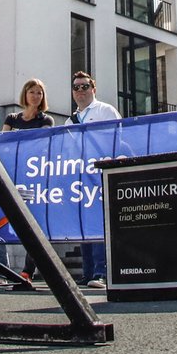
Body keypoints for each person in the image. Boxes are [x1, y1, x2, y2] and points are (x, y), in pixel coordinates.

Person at [66, 72, 117, 288]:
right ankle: (87, 273)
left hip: (100, 176)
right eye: (76, 87)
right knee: (84, 224)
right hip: (80, 179)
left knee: (98, 224)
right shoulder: (70, 120)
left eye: (84, 86)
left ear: (93, 89)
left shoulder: (106, 110)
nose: (80, 91)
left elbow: (117, 139)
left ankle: (101, 273)